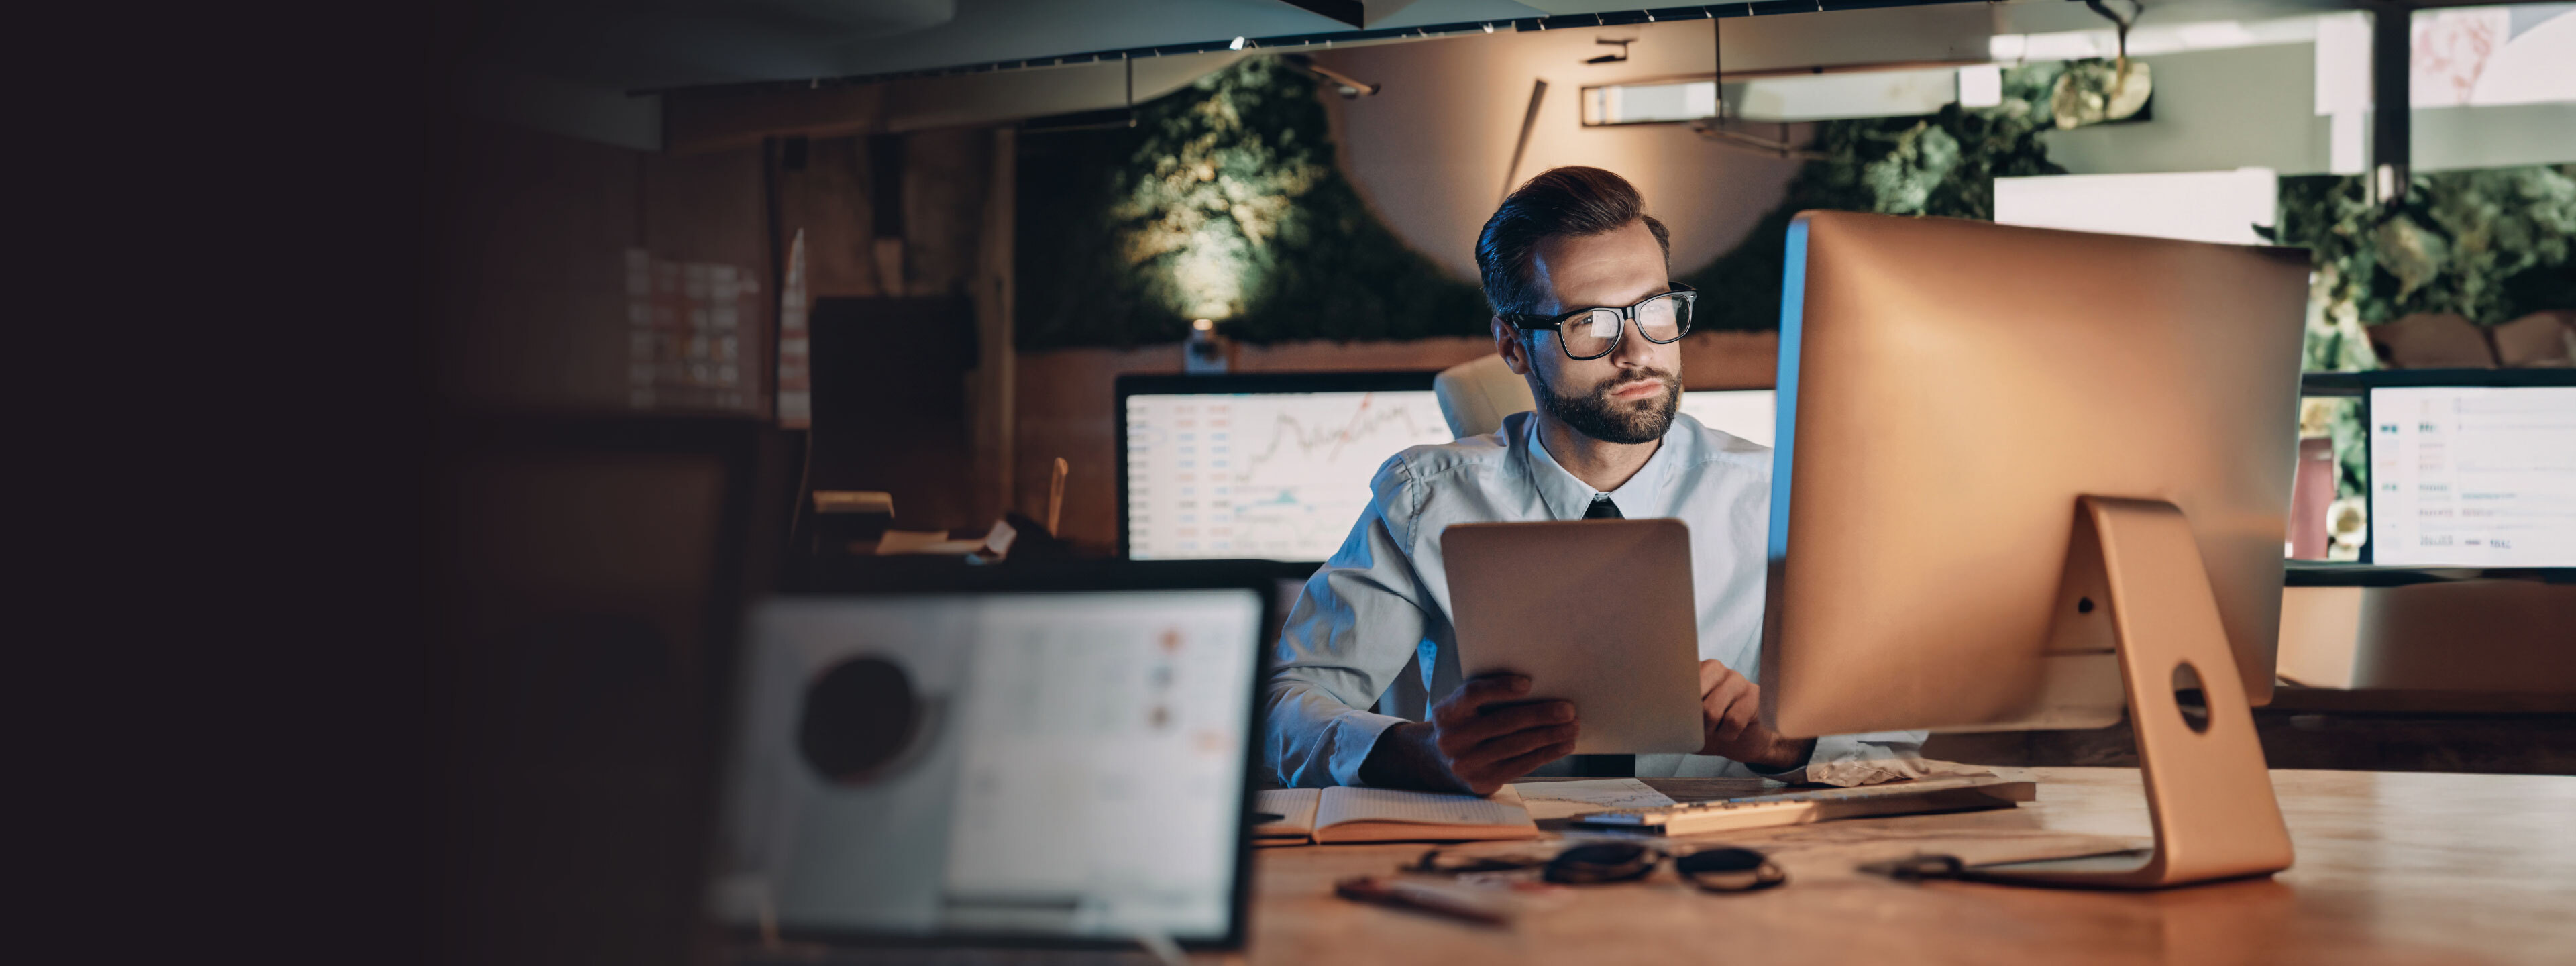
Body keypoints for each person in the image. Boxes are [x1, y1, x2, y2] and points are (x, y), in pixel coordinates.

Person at [1264, 167, 1922, 792]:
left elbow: (1901, 746)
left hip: (1723, 869)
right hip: (1497, 867)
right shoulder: (1425, 498)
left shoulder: (1782, 501)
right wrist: (1419, 753)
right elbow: (1285, 704)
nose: (1637, 352)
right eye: (1589, 322)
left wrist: (1787, 746)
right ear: (1513, 346)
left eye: (1655, 309)